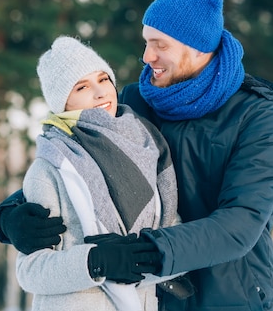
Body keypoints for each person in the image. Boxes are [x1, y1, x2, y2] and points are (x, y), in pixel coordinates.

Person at [0, 0, 273, 311]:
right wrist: (10, 215)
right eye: (146, 42)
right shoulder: (136, 102)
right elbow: (79, 165)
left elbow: (240, 223)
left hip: (229, 295)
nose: (147, 56)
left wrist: (144, 251)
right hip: (151, 296)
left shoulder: (255, 116)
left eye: (160, 45)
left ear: (198, 47)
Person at [14, 36, 186, 311]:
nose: (100, 92)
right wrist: (96, 261)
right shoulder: (51, 166)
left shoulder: (147, 148)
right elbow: (30, 271)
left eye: (104, 79)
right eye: (82, 86)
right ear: (63, 102)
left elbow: (172, 233)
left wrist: (148, 258)